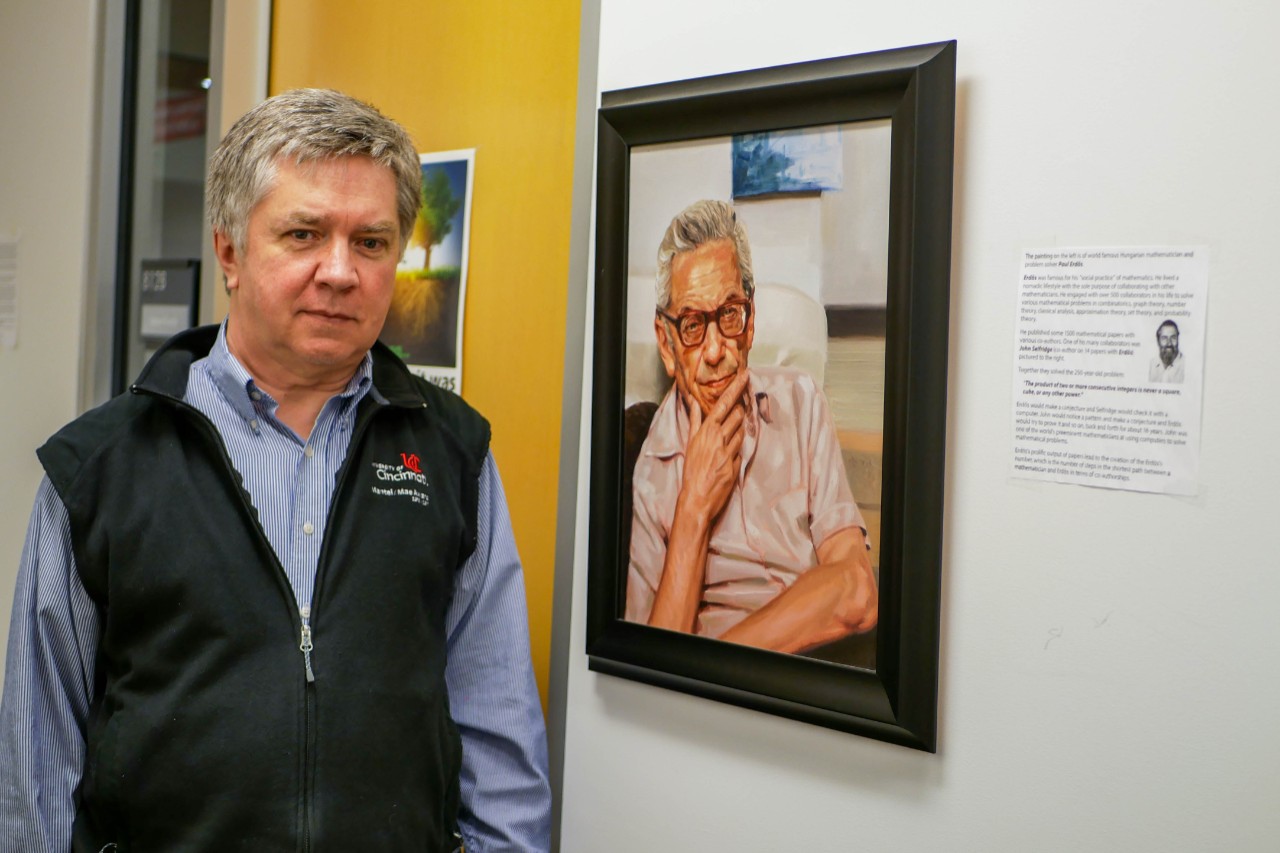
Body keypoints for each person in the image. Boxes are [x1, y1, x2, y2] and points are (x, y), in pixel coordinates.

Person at [0, 89, 550, 851]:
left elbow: (499, 729)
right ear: (229, 252)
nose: (341, 271)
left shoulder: (454, 454)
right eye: (303, 234)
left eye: (371, 242)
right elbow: (36, 766)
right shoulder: (99, 468)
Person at [624, 199, 878, 654]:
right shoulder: (651, 471)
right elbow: (650, 658)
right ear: (666, 343)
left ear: (751, 321)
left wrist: (720, 661)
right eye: (693, 325)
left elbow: (856, 589)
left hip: (809, 665)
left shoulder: (801, 401)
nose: (715, 350)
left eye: (729, 315)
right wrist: (693, 506)